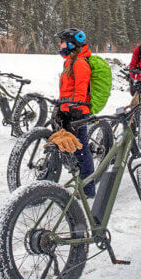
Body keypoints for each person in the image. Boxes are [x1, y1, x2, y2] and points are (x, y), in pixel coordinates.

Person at [56, 28, 96, 197]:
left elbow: (80, 89)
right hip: (67, 108)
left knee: (81, 150)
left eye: (63, 42)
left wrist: (75, 109)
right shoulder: (69, 62)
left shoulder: (80, 63)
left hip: (78, 111)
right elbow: (67, 88)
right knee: (68, 144)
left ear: (72, 44)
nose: (60, 45)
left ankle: (88, 189)